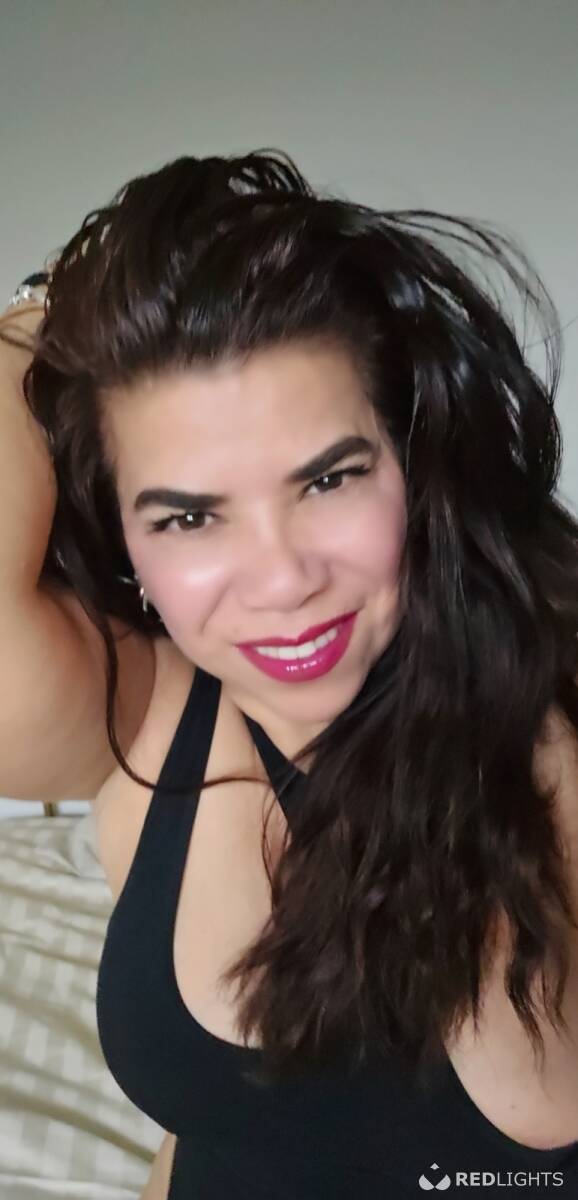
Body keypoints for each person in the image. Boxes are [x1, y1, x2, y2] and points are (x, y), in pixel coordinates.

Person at [1, 149, 577, 1199]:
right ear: (124, 538)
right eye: (188, 516)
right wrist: (61, 305)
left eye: (328, 479)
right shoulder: (147, 718)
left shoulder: (553, 704)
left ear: (414, 462)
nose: (281, 581)